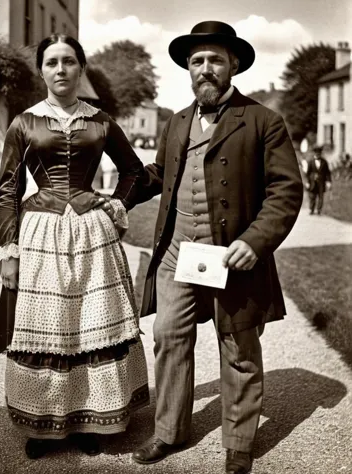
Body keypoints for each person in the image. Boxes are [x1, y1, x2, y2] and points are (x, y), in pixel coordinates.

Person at [131, 21, 303, 474]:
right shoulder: (177, 122)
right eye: (197, 62)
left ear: (234, 66)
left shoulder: (264, 121)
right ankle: (169, 431)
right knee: (168, 337)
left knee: (239, 344)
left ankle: (240, 442)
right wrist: (117, 196)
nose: (205, 69)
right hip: (177, 251)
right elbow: (157, 173)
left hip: (231, 254)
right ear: (188, 70)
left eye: (215, 60)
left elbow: (286, 191)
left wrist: (254, 241)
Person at [0, 33, 149, 460]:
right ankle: (43, 423)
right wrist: (9, 250)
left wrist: (118, 203)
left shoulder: (101, 121)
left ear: (81, 68)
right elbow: (8, 189)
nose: (60, 70)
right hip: (39, 231)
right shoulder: (24, 122)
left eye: (69, 62)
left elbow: (134, 171)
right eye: (51, 62)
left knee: (89, 324)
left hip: (92, 231)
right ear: (42, 70)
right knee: (47, 325)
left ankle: (89, 417)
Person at [305, 145, 332, 215]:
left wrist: (329, 181)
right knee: (312, 196)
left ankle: (319, 210)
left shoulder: (324, 162)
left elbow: (327, 173)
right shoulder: (310, 162)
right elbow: (307, 173)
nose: (317, 155)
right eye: (316, 153)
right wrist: (307, 182)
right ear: (314, 153)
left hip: (321, 182)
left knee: (321, 196)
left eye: (319, 153)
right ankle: (311, 209)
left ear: (321, 153)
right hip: (312, 182)